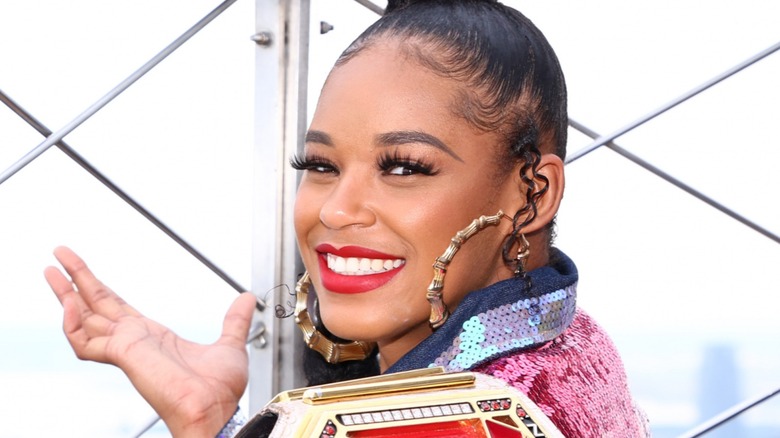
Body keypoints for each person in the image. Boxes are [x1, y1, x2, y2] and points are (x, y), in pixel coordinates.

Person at [45, 0, 649, 436]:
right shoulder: (572, 352)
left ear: (533, 194)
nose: (335, 209)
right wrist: (209, 422)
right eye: (321, 164)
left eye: (405, 167)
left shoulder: (452, 422)